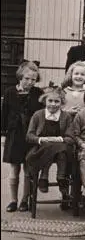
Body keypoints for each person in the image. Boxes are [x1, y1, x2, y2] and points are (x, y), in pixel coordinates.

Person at [3, 60, 43, 212]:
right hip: (14, 134)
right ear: (20, 76)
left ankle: (24, 200)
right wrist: (3, 135)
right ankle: (13, 200)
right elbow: (4, 114)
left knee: (28, 169)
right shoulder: (9, 92)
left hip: (30, 135)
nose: (30, 82)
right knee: (14, 169)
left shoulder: (38, 94)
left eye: (33, 79)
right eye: (27, 78)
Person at [25, 86, 74, 208]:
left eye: (57, 101)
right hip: (41, 148)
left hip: (60, 149)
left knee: (61, 151)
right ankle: (45, 176)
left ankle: (60, 177)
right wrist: (41, 139)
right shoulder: (38, 115)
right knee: (49, 148)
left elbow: (70, 138)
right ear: (44, 101)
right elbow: (29, 135)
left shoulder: (66, 116)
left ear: (62, 103)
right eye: (50, 101)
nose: (53, 104)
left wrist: (58, 139)